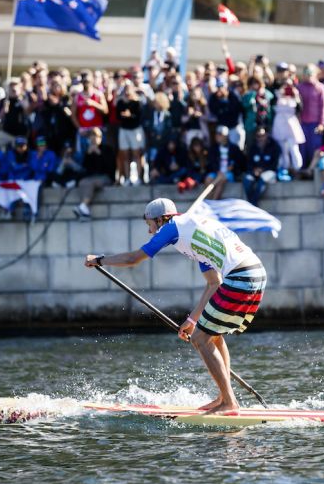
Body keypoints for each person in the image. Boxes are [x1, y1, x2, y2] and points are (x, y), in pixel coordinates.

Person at [84, 198, 267, 415]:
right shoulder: (195, 234)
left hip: (241, 276)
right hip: (255, 273)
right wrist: (191, 320)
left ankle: (229, 402)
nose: (150, 231)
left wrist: (100, 260)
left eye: (150, 224)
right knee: (213, 335)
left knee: (201, 339)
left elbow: (134, 258)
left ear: (162, 219)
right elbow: (213, 283)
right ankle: (224, 397)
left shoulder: (172, 228)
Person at [242, 126, 280, 205]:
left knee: (262, 180)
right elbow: (249, 163)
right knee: (246, 179)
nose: (260, 138)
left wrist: (263, 170)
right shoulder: (253, 147)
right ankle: (252, 203)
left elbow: (275, 164)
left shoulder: (273, 146)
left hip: (270, 172)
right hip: (255, 172)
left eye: (262, 135)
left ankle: (253, 204)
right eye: (258, 136)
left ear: (266, 135)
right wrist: (254, 170)